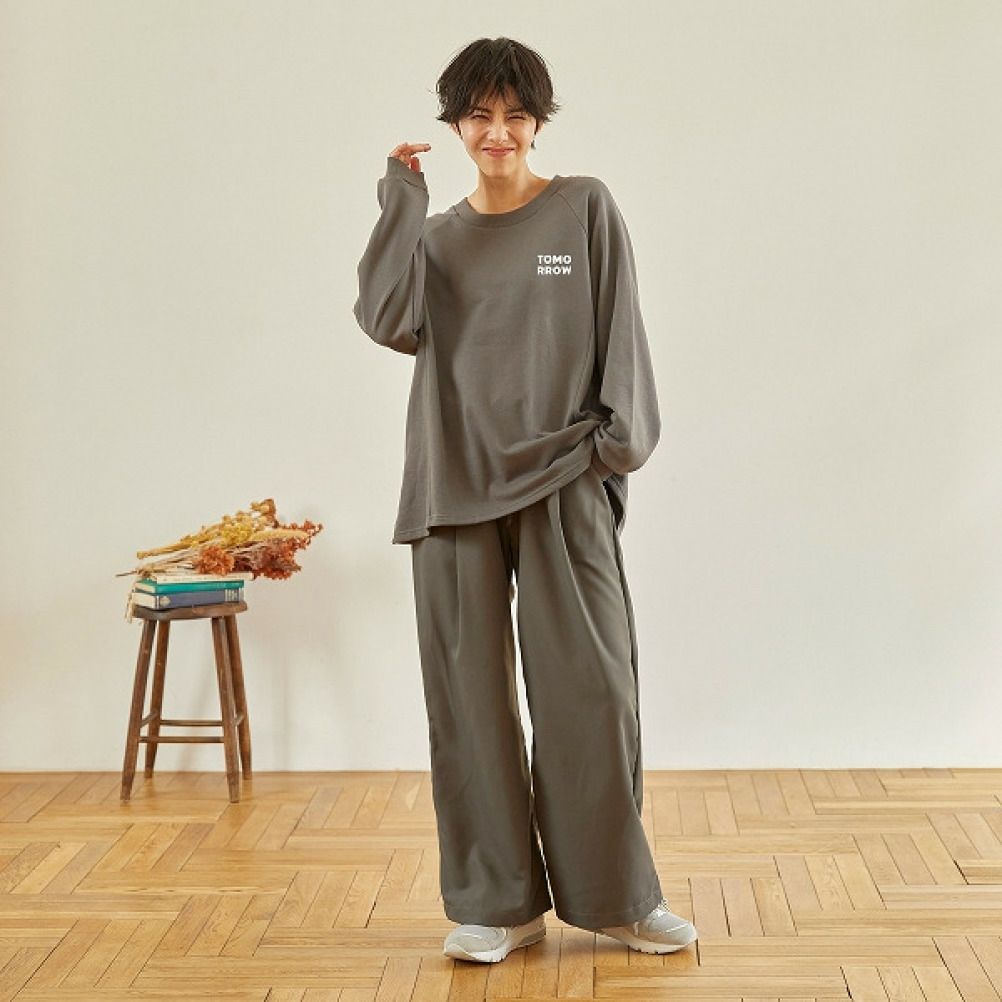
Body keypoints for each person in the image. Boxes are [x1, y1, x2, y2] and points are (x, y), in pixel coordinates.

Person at [352, 36, 698, 963]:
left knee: (592, 692)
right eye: (479, 116)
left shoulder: (583, 206)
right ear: (455, 125)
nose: (497, 132)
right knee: (468, 705)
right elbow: (387, 320)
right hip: (451, 487)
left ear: (539, 121)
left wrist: (614, 451)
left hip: (563, 476)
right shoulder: (436, 237)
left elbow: (620, 325)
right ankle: (496, 904)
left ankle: (618, 898)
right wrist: (400, 199)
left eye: (514, 115)